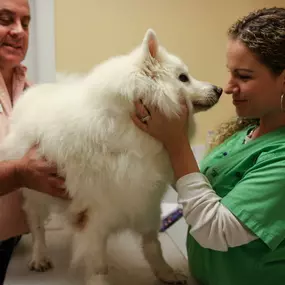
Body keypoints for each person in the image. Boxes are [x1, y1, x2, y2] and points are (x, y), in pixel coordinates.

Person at [132, 7, 285, 285]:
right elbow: (198, 190)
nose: (227, 87)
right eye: (230, 73)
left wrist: (176, 141)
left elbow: (217, 231)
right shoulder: (248, 134)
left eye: (244, 76)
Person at [0, 0, 67, 283]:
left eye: (25, 23)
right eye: (5, 20)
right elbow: (22, 168)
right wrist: (19, 172)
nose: (19, 31)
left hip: (8, 235)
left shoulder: (32, 93)